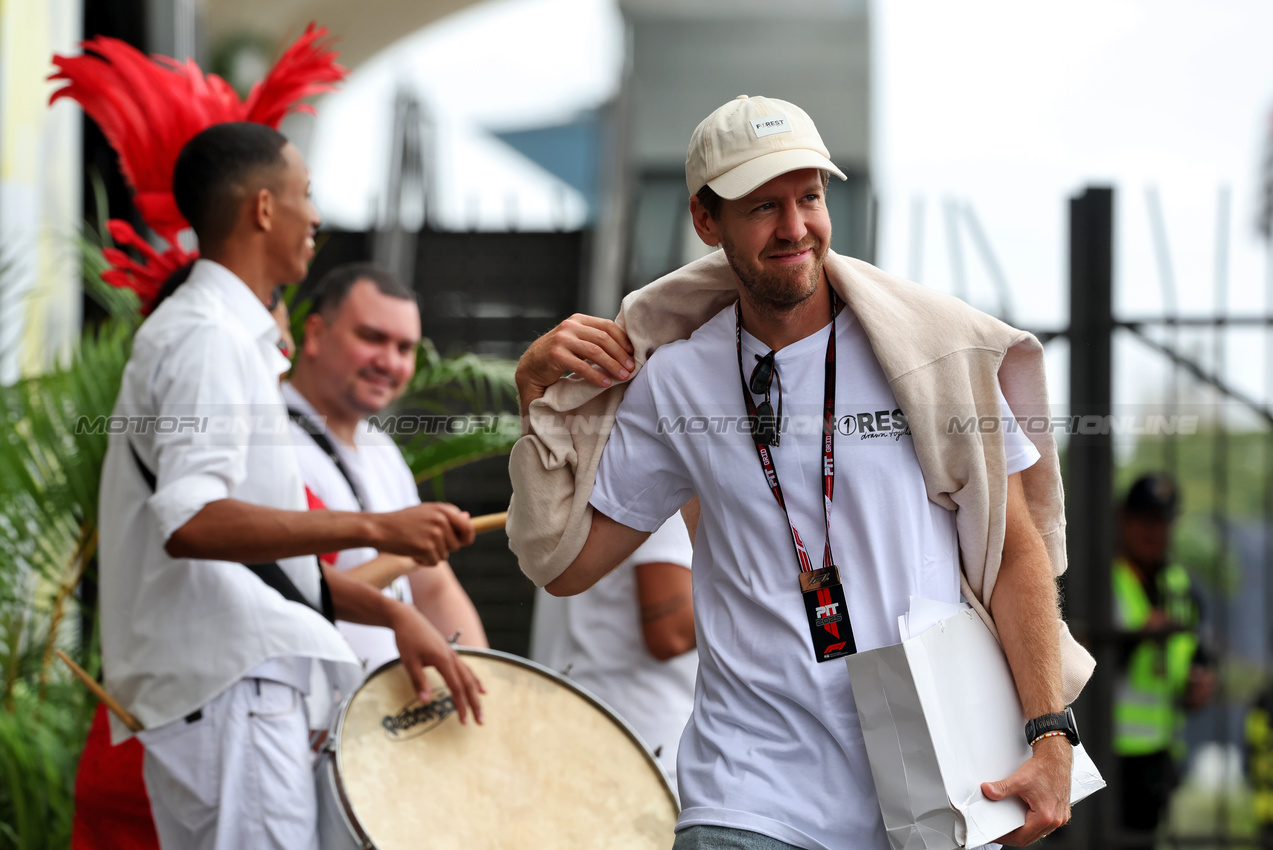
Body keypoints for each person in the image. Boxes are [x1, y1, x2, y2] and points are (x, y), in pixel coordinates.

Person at [509, 95, 1095, 849]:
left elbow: (1014, 548)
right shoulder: (675, 380)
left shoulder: (930, 354)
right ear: (706, 221)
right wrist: (537, 401)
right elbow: (568, 566)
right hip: (746, 795)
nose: (794, 227)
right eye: (763, 206)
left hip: (937, 786)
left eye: (809, 197)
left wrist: (1050, 734)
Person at [97, 122, 483, 850]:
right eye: (306, 194)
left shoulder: (221, 335)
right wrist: (378, 529)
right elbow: (192, 521)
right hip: (234, 692)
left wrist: (392, 613)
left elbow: (258, 563)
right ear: (265, 208)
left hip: (242, 691)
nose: (316, 216)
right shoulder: (208, 335)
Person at [285, 262, 488, 674]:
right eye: (371, 338)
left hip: (386, 707)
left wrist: (489, 686)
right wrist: (401, 551)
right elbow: (300, 591)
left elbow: (434, 589)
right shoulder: (267, 438)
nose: (389, 362)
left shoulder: (381, 450)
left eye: (404, 349)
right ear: (315, 334)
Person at [530, 513, 696, 788]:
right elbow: (671, 633)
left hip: (575, 740)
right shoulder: (672, 493)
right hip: (640, 749)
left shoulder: (585, 491)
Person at [1112, 472, 1215, 839]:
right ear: (1123, 519)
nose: (1154, 531)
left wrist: (1199, 683)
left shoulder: (1182, 587)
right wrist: (1135, 639)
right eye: (1145, 520)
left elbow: (1200, 655)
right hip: (1100, 752)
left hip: (1158, 753)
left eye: (1163, 521)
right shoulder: (1096, 584)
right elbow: (1072, 663)